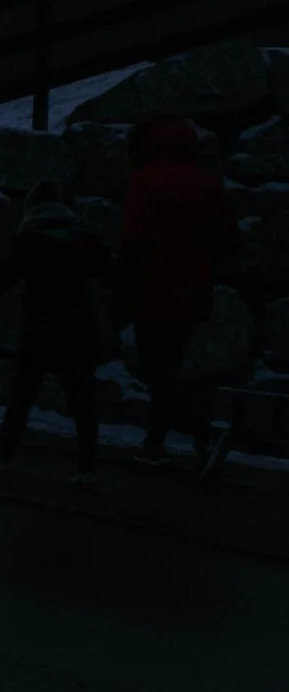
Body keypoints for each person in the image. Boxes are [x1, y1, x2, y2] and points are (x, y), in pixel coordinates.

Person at [115, 115, 240, 471]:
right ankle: (194, 438)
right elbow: (229, 236)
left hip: (152, 289)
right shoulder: (207, 182)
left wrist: (122, 282)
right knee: (173, 366)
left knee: (159, 370)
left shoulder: (145, 181)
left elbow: (133, 238)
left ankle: (166, 440)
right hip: (195, 289)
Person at [0, 193, 110, 480]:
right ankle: (86, 468)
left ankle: (4, 454)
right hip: (77, 327)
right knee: (81, 398)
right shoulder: (82, 237)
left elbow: (2, 280)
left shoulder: (29, 239)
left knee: (23, 395)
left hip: (39, 327)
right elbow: (109, 271)